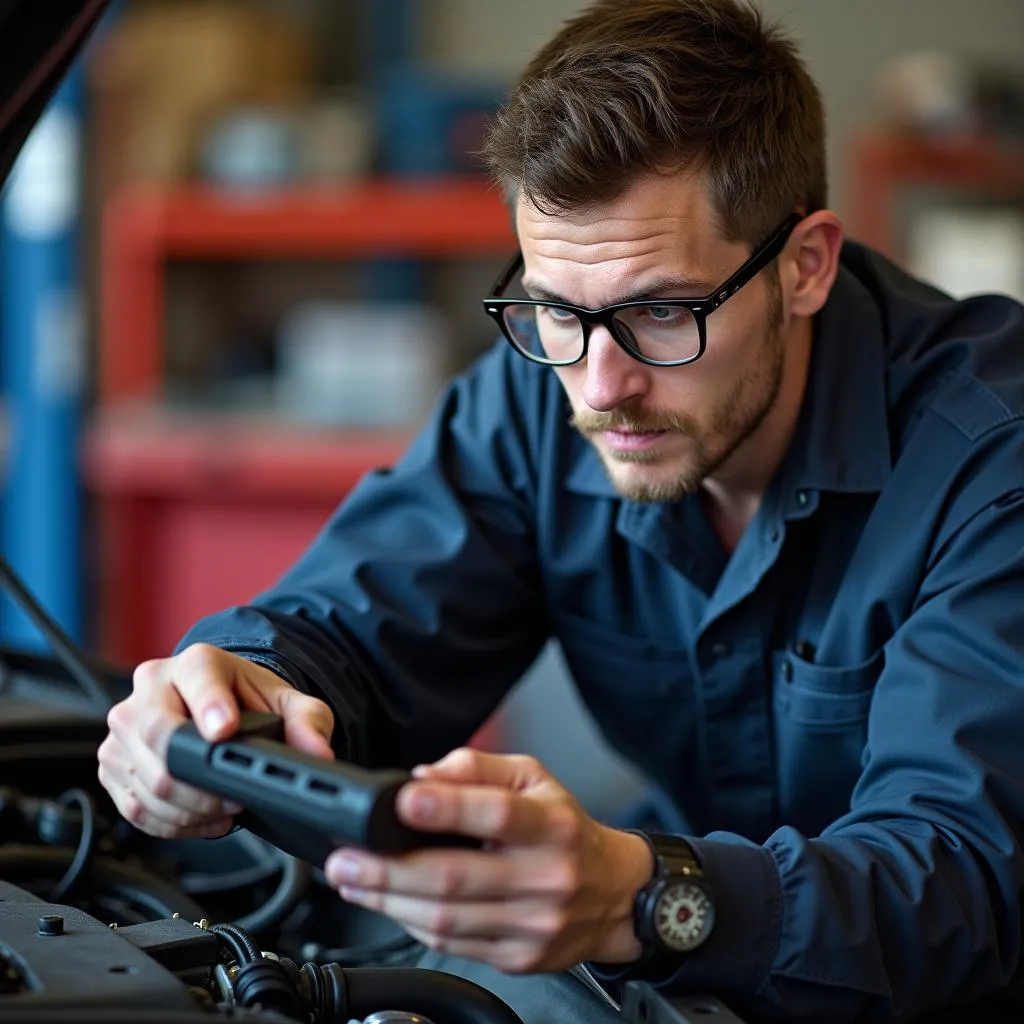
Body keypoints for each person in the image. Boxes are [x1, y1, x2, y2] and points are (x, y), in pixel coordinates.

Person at [97, 0, 1024, 1019]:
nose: (598, 385)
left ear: (804, 265)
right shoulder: (540, 396)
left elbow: (962, 885)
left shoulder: (993, 456)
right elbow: (349, 630)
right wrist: (229, 693)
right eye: (554, 310)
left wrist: (640, 895)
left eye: (661, 311)